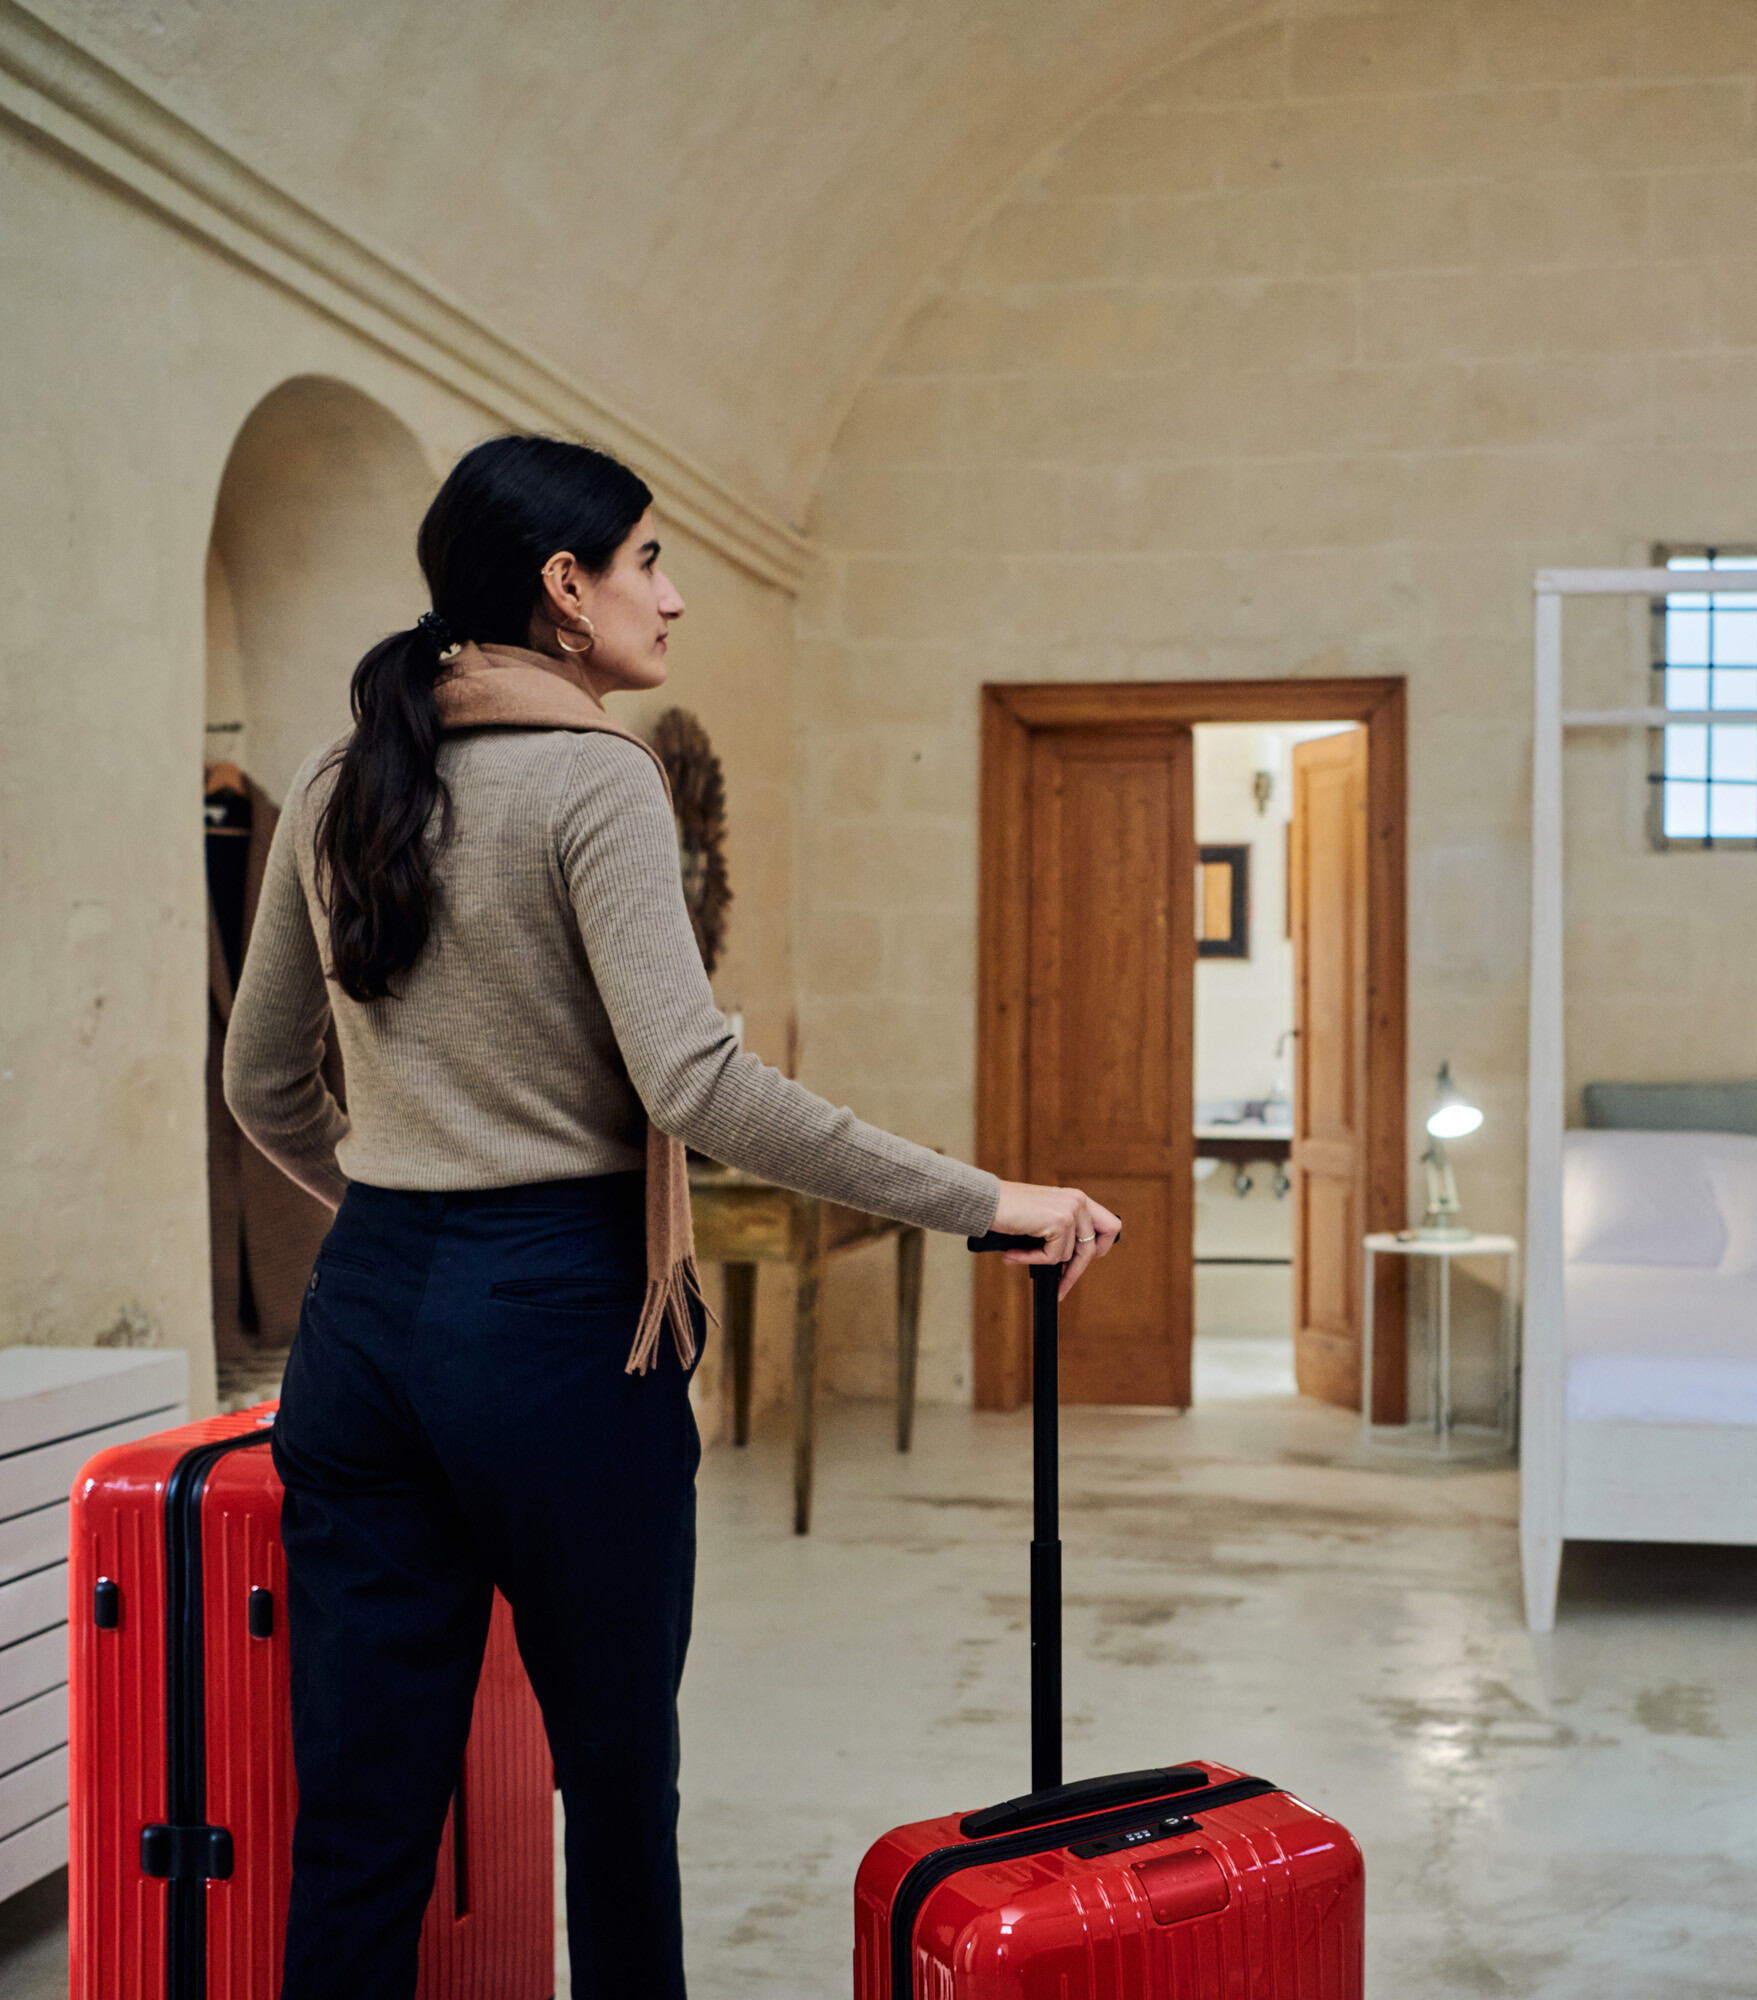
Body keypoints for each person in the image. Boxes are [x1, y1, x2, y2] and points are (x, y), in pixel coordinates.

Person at [224, 433, 1118, 1999]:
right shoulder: (592, 780)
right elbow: (700, 1087)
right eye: (649, 562)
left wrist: (389, 1211)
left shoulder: (332, 775)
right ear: (563, 592)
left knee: (361, 1824)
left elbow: (261, 1085)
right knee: (619, 1798)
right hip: (566, 1326)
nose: (678, 597)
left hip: (360, 1329)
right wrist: (987, 1201)